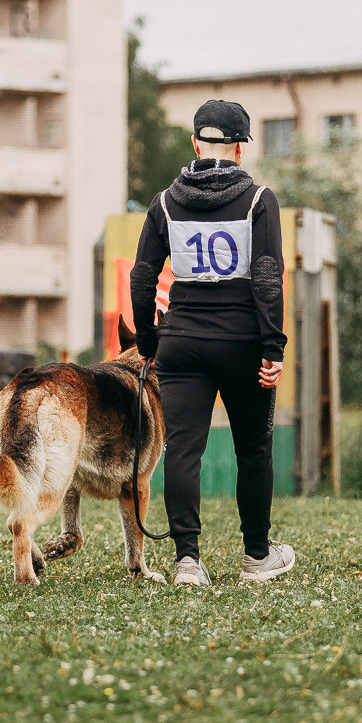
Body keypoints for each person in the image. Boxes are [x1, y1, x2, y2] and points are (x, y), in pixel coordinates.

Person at [129, 99, 295, 586]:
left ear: (195, 144)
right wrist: (273, 349)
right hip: (243, 343)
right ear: (240, 148)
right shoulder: (260, 200)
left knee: (183, 450)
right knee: (253, 449)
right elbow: (267, 278)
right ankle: (257, 557)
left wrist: (148, 340)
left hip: (182, 341)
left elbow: (143, 278)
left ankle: (187, 562)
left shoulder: (163, 202)